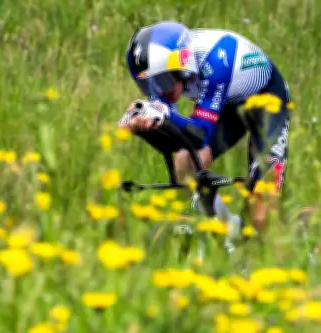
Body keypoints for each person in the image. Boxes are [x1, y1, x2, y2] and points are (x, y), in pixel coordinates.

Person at [122, 21, 291, 233]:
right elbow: (173, 131)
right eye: (149, 85)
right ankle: (229, 233)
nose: (158, 92)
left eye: (162, 82)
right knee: (185, 163)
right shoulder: (170, 67)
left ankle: (279, 246)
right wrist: (142, 124)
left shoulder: (216, 60)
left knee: (261, 210)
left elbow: (199, 135)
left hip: (268, 101)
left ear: (182, 66)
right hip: (229, 104)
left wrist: (161, 115)